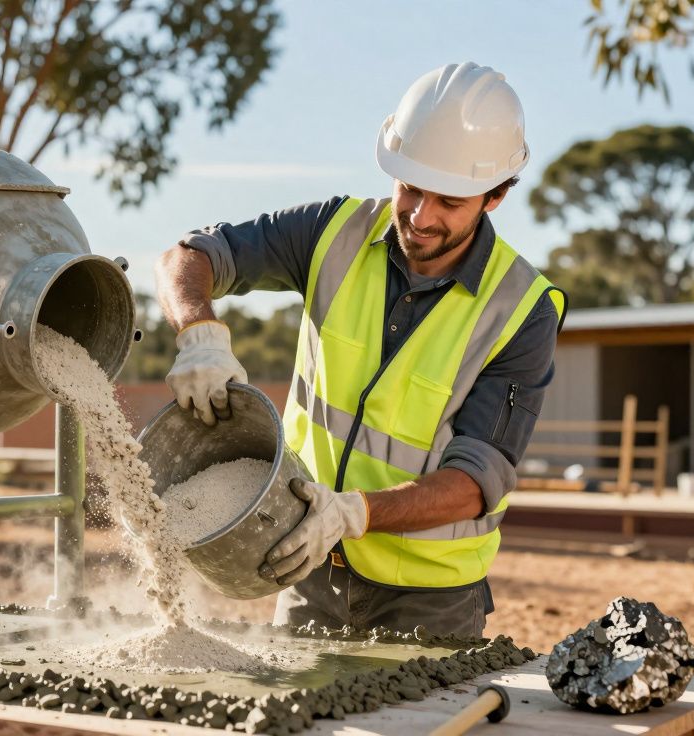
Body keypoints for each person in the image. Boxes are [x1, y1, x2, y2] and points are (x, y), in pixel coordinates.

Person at [154, 62, 566, 638]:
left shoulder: (523, 308)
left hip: (430, 603)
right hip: (306, 568)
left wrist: (353, 514)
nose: (421, 218)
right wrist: (198, 332)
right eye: (411, 188)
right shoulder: (333, 232)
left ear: (494, 196)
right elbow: (188, 256)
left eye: (449, 200)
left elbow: (476, 480)